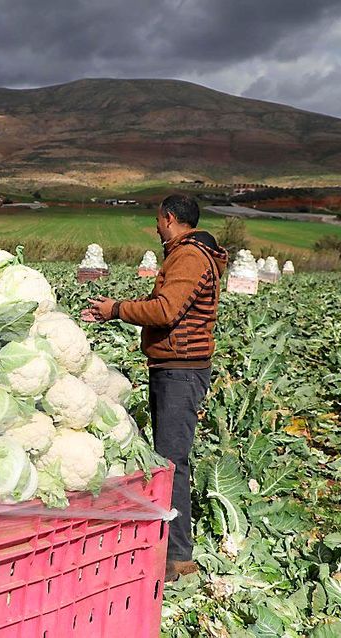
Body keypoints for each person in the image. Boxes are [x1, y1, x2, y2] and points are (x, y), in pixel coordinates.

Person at [81, 194, 227, 583]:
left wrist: (116, 309)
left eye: (158, 221)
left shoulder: (190, 256)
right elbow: (165, 304)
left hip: (180, 370)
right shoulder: (188, 254)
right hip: (175, 365)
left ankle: (178, 555)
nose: (156, 228)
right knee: (169, 457)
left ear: (169, 218)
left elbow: (165, 310)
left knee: (171, 461)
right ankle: (166, 542)